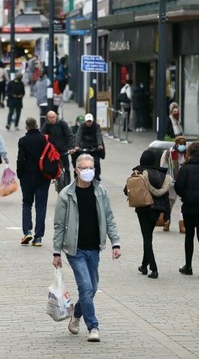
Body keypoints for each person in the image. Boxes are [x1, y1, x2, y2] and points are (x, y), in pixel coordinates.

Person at [53, 153, 121, 342]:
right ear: (76, 170)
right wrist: (56, 252)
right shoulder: (66, 194)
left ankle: (76, 315)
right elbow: (59, 225)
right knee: (85, 287)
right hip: (75, 250)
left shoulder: (101, 192)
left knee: (92, 288)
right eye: (84, 168)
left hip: (95, 248)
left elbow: (109, 219)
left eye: (91, 168)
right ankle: (93, 327)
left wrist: (116, 243)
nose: (88, 171)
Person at [174, 142, 199, 279]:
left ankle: (188, 266)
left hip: (190, 207)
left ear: (189, 153)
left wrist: (185, 195)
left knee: (189, 235)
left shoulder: (185, 169)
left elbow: (178, 187)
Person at [128, 150, 170, 279]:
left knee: (147, 238)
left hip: (143, 209)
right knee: (148, 236)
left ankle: (154, 268)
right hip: (158, 210)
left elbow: (127, 190)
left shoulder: (139, 173)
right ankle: (144, 265)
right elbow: (166, 196)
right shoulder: (163, 175)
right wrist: (167, 215)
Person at [17, 118, 50, 246]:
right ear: (37, 125)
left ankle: (27, 232)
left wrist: (20, 175)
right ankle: (38, 237)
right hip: (43, 177)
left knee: (27, 204)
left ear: (26, 127)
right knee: (41, 207)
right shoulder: (45, 139)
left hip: (27, 178)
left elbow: (20, 160)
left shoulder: (23, 141)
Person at [160, 136, 188, 232]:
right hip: (170, 183)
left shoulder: (187, 154)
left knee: (181, 204)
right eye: (180, 144)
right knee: (169, 203)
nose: (182, 146)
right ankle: (167, 222)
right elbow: (162, 167)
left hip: (182, 183)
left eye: (184, 144)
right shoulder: (168, 153)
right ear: (176, 144)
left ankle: (182, 225)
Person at [41, 111, 74, 180]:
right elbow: (42, 138)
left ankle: (67, 184)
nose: (52, 119)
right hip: (53, 151)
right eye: (50, 118)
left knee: (66, 169)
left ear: (56, 117)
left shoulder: (63, 124)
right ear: (47, 118)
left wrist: (71, 147)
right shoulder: (46, 126)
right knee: (53, 168)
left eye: (53, 117)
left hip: (63, 149)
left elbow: (69, 135)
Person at [74, 113, 104, 181]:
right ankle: (78, 177)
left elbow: (98, 135)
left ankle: (97, 177)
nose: (89, 123)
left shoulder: (96, 126)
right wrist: (77, 146)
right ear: (85, 121)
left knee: (96, 162)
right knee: (80, 161)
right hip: (84, 146)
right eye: (87, 121)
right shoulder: (82, 126)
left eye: (90, 121)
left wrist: (99, 145)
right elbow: (78, 135)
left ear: (92, 121)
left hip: (94, 146)